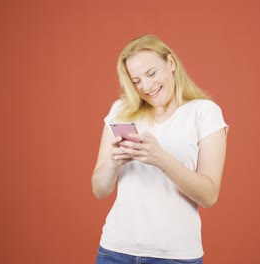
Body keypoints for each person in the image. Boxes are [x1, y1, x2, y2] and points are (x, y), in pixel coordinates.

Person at [92, 34, 229, 264]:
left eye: (151, 73)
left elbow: (209, 195)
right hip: (115, 252)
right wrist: (114, 162)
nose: (146, 86)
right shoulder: (121, 111)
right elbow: (99, 190)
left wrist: (161, 159)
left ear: (171, 63)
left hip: (175, 257)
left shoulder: (205, 112)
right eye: (136, 81)